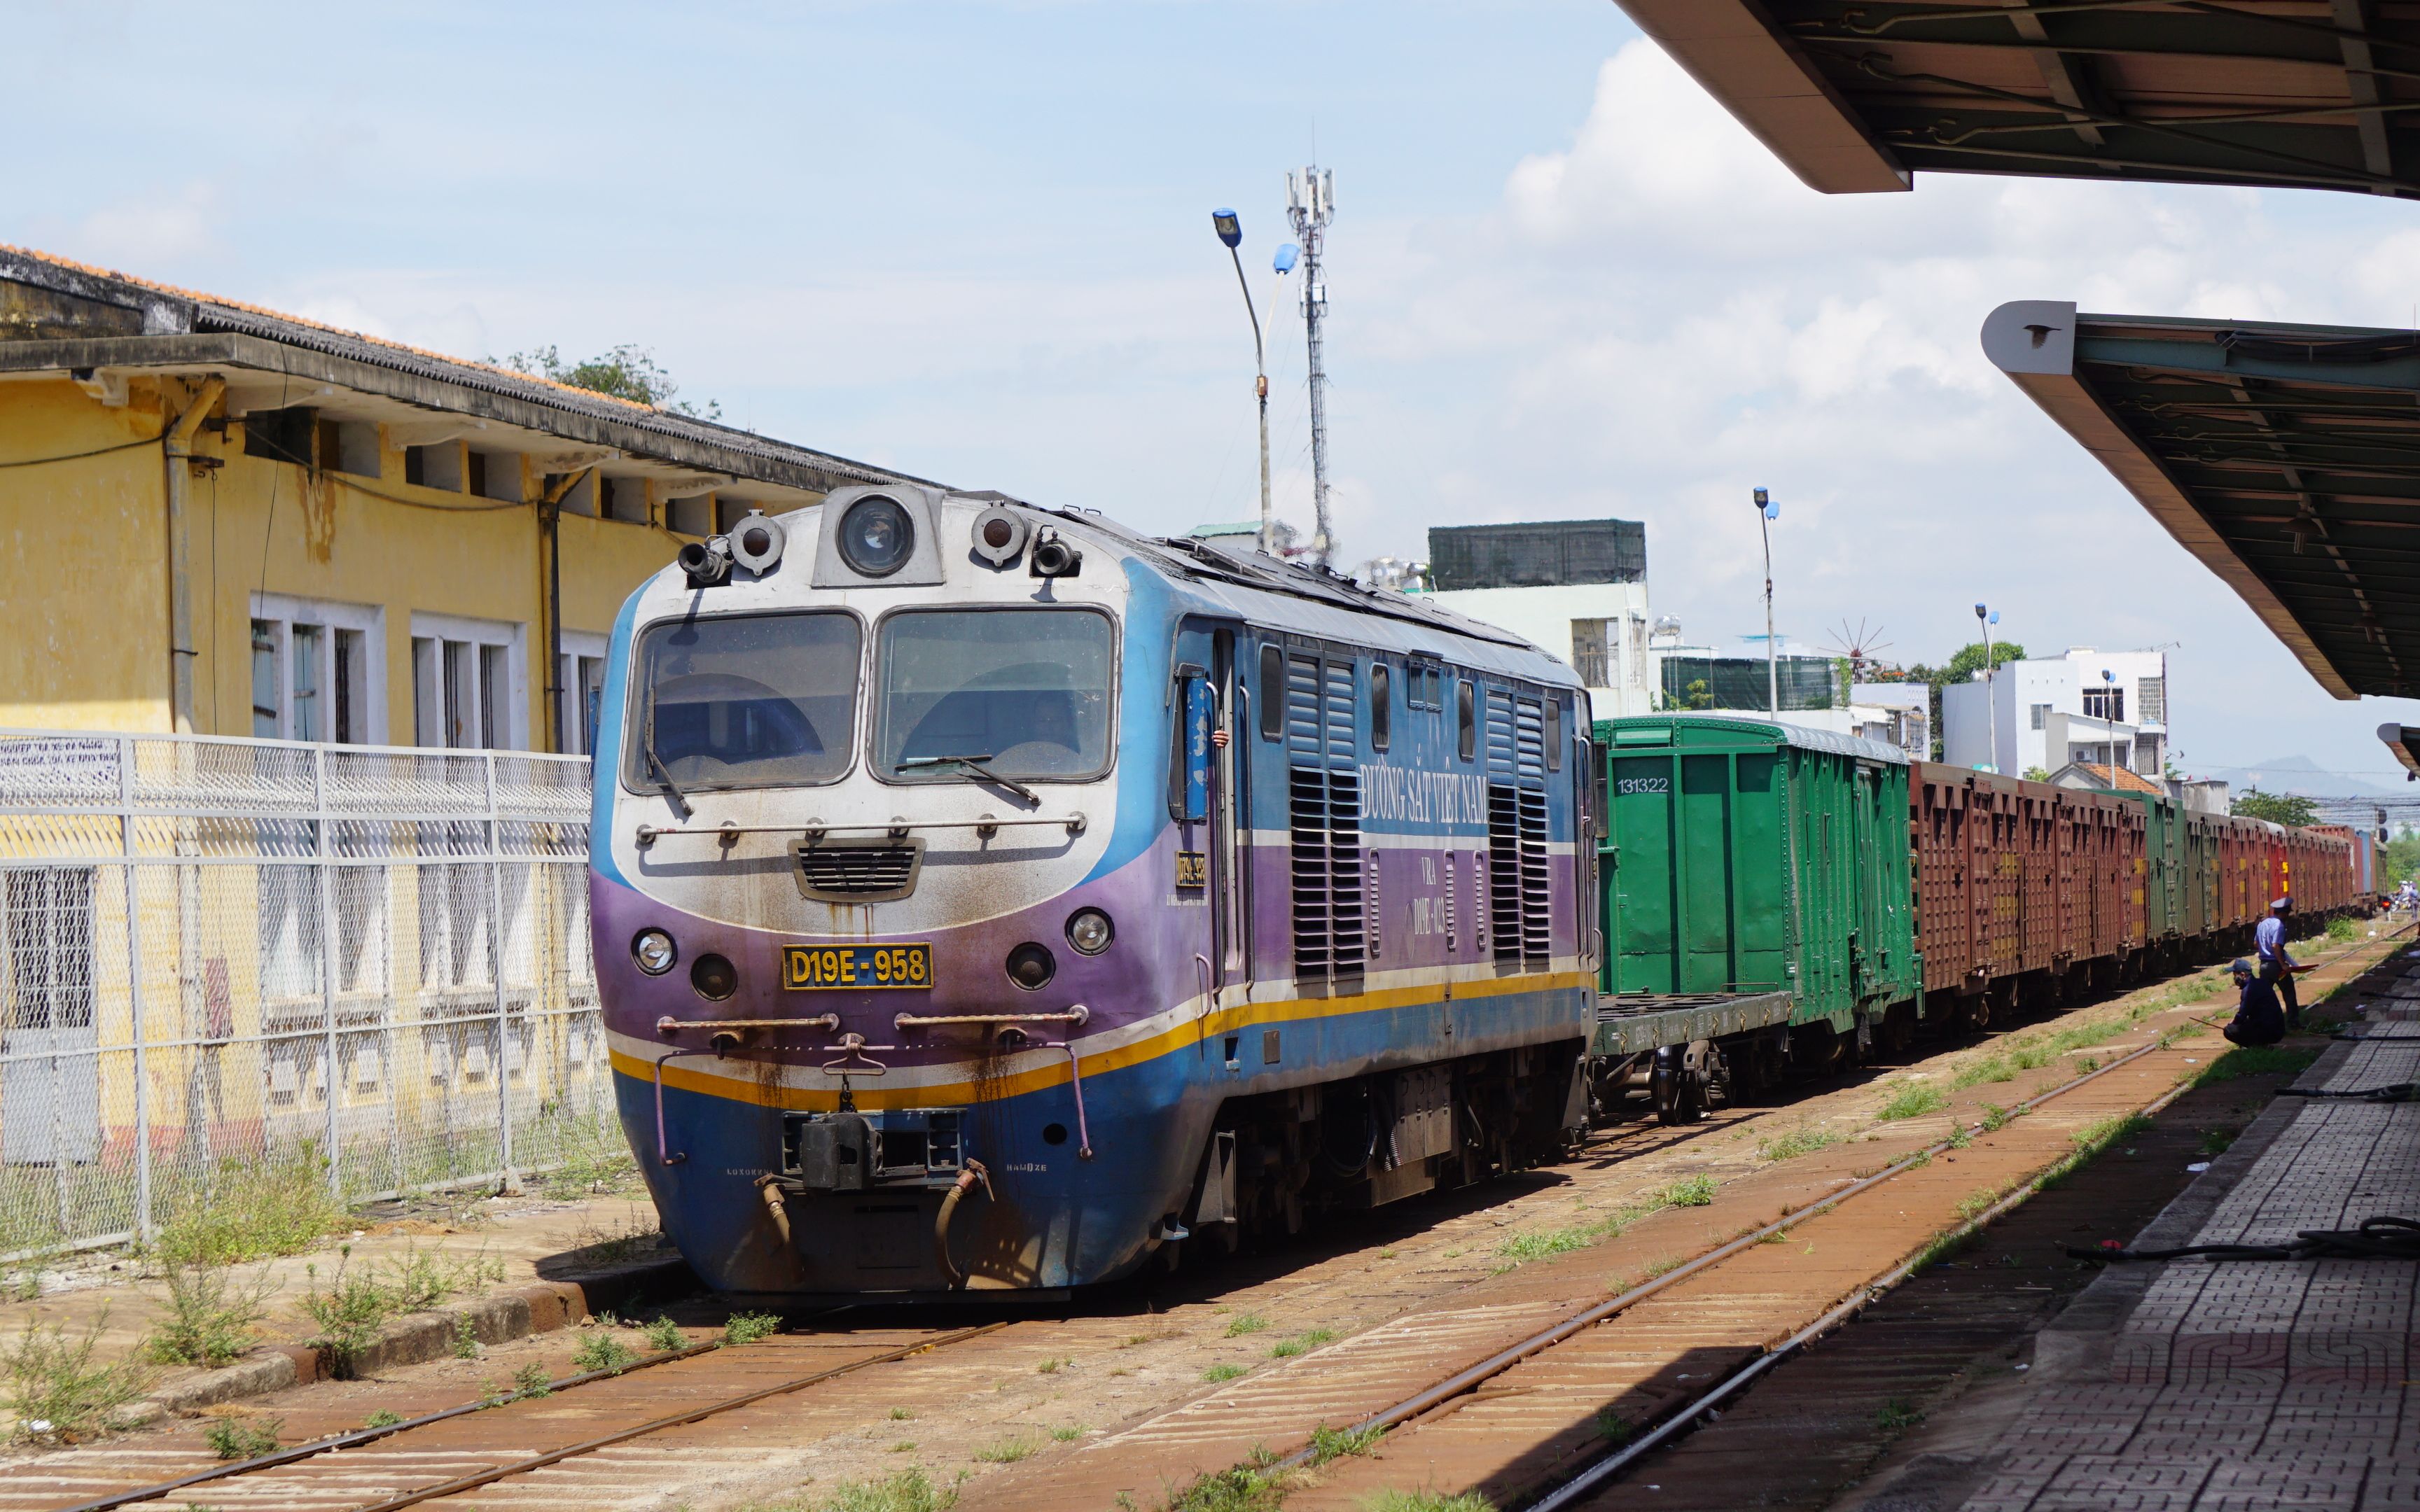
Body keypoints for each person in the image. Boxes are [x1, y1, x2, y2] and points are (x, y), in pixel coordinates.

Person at [2255, 897, 2302, 1029]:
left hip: (2263, 966)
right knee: (2289, 993)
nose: (2288, 916)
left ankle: (2263, 1023)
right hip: (2276, 967)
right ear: (2284, 913)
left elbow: (2255, 943)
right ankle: (2293, 1023)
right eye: (2287, 914)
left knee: (2264, 997)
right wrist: (2283, 965)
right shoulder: (2279, 925)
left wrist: (2265, 949)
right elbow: (2276, 946)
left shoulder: (2262, 924)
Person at [2224, 958, 2286, 1047]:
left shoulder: (2248, 990)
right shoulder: (2262, 983)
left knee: (2229, 1030)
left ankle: (2257, 1046)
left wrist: (2232, 1023)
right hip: (2279, 1029)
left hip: (2269, 1032)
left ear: (2243, 975)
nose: (2234, 978)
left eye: (2234, 975)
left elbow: (2242, 1015)